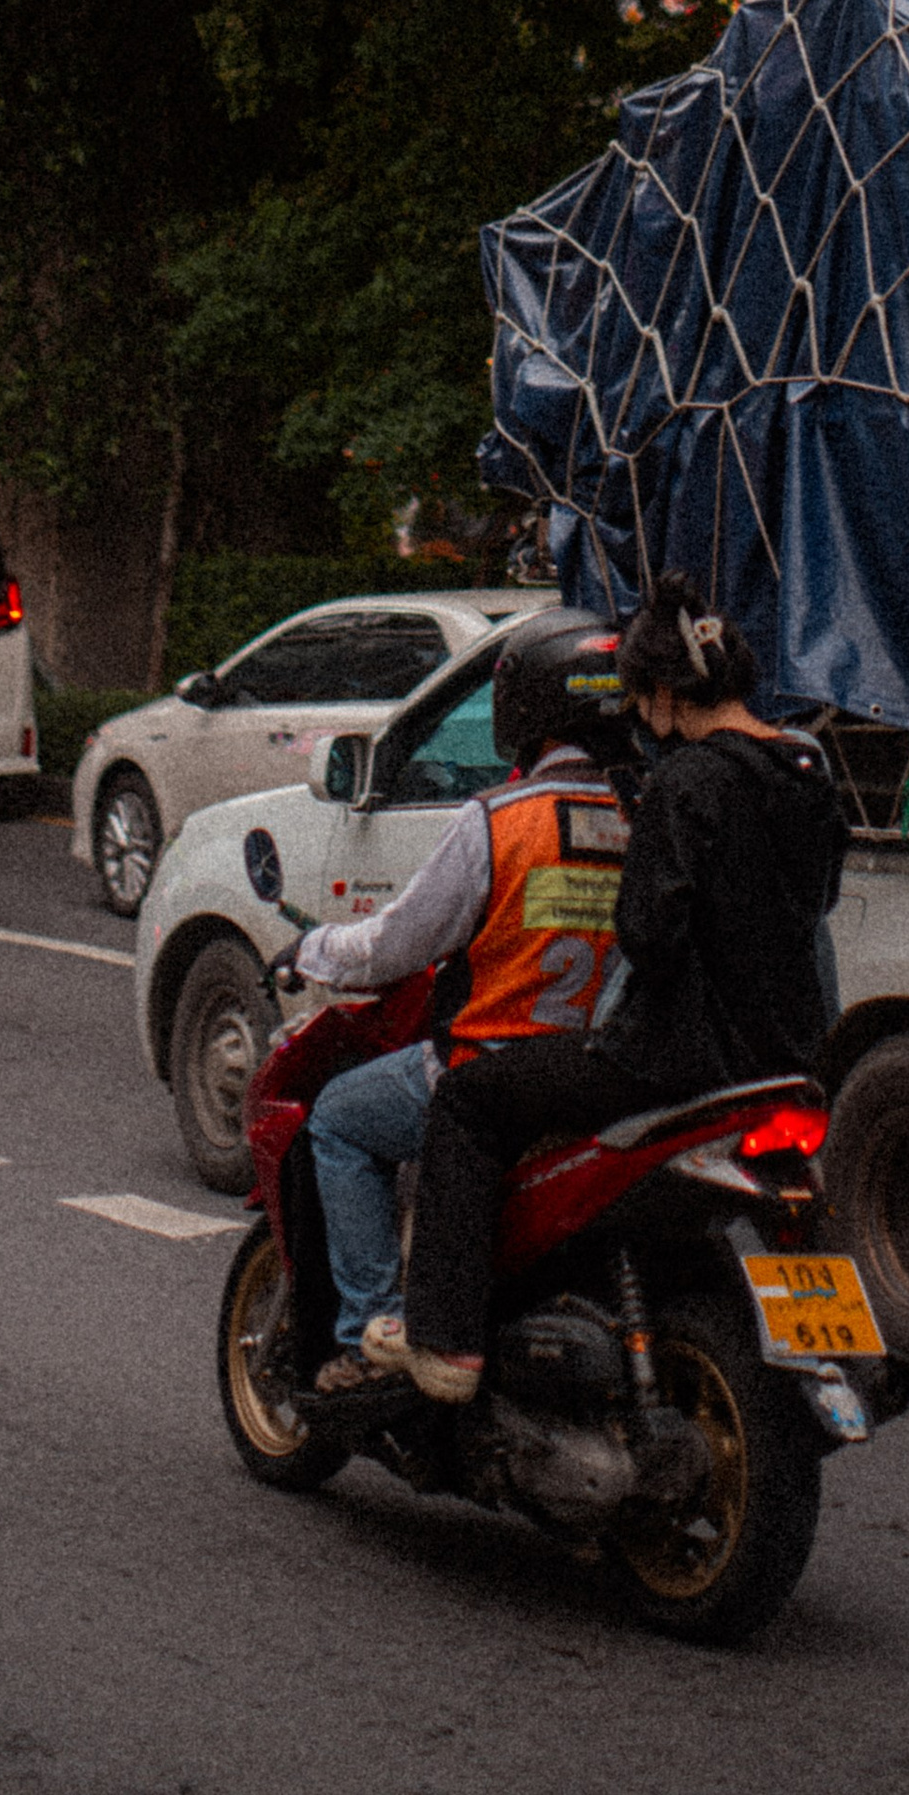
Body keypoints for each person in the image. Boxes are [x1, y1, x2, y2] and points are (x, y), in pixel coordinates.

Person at [377, 572, 844, 1403]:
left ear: (666, 694)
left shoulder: (685, 783)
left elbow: (649, 935)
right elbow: (816, 909)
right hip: (789, 1056)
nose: (637, 719)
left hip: (679, 1063)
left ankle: (444, 1342)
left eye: (640, 700)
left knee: (470, 1100)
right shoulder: (808, 771)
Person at [289, 607, 632, 1399]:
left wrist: (308, 949)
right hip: (601, 1078)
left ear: (526, 708)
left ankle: (373, 1331)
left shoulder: (501, 821)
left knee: (338, 1116)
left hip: (487, 1072)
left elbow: (390, 947)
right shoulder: (646, 817)